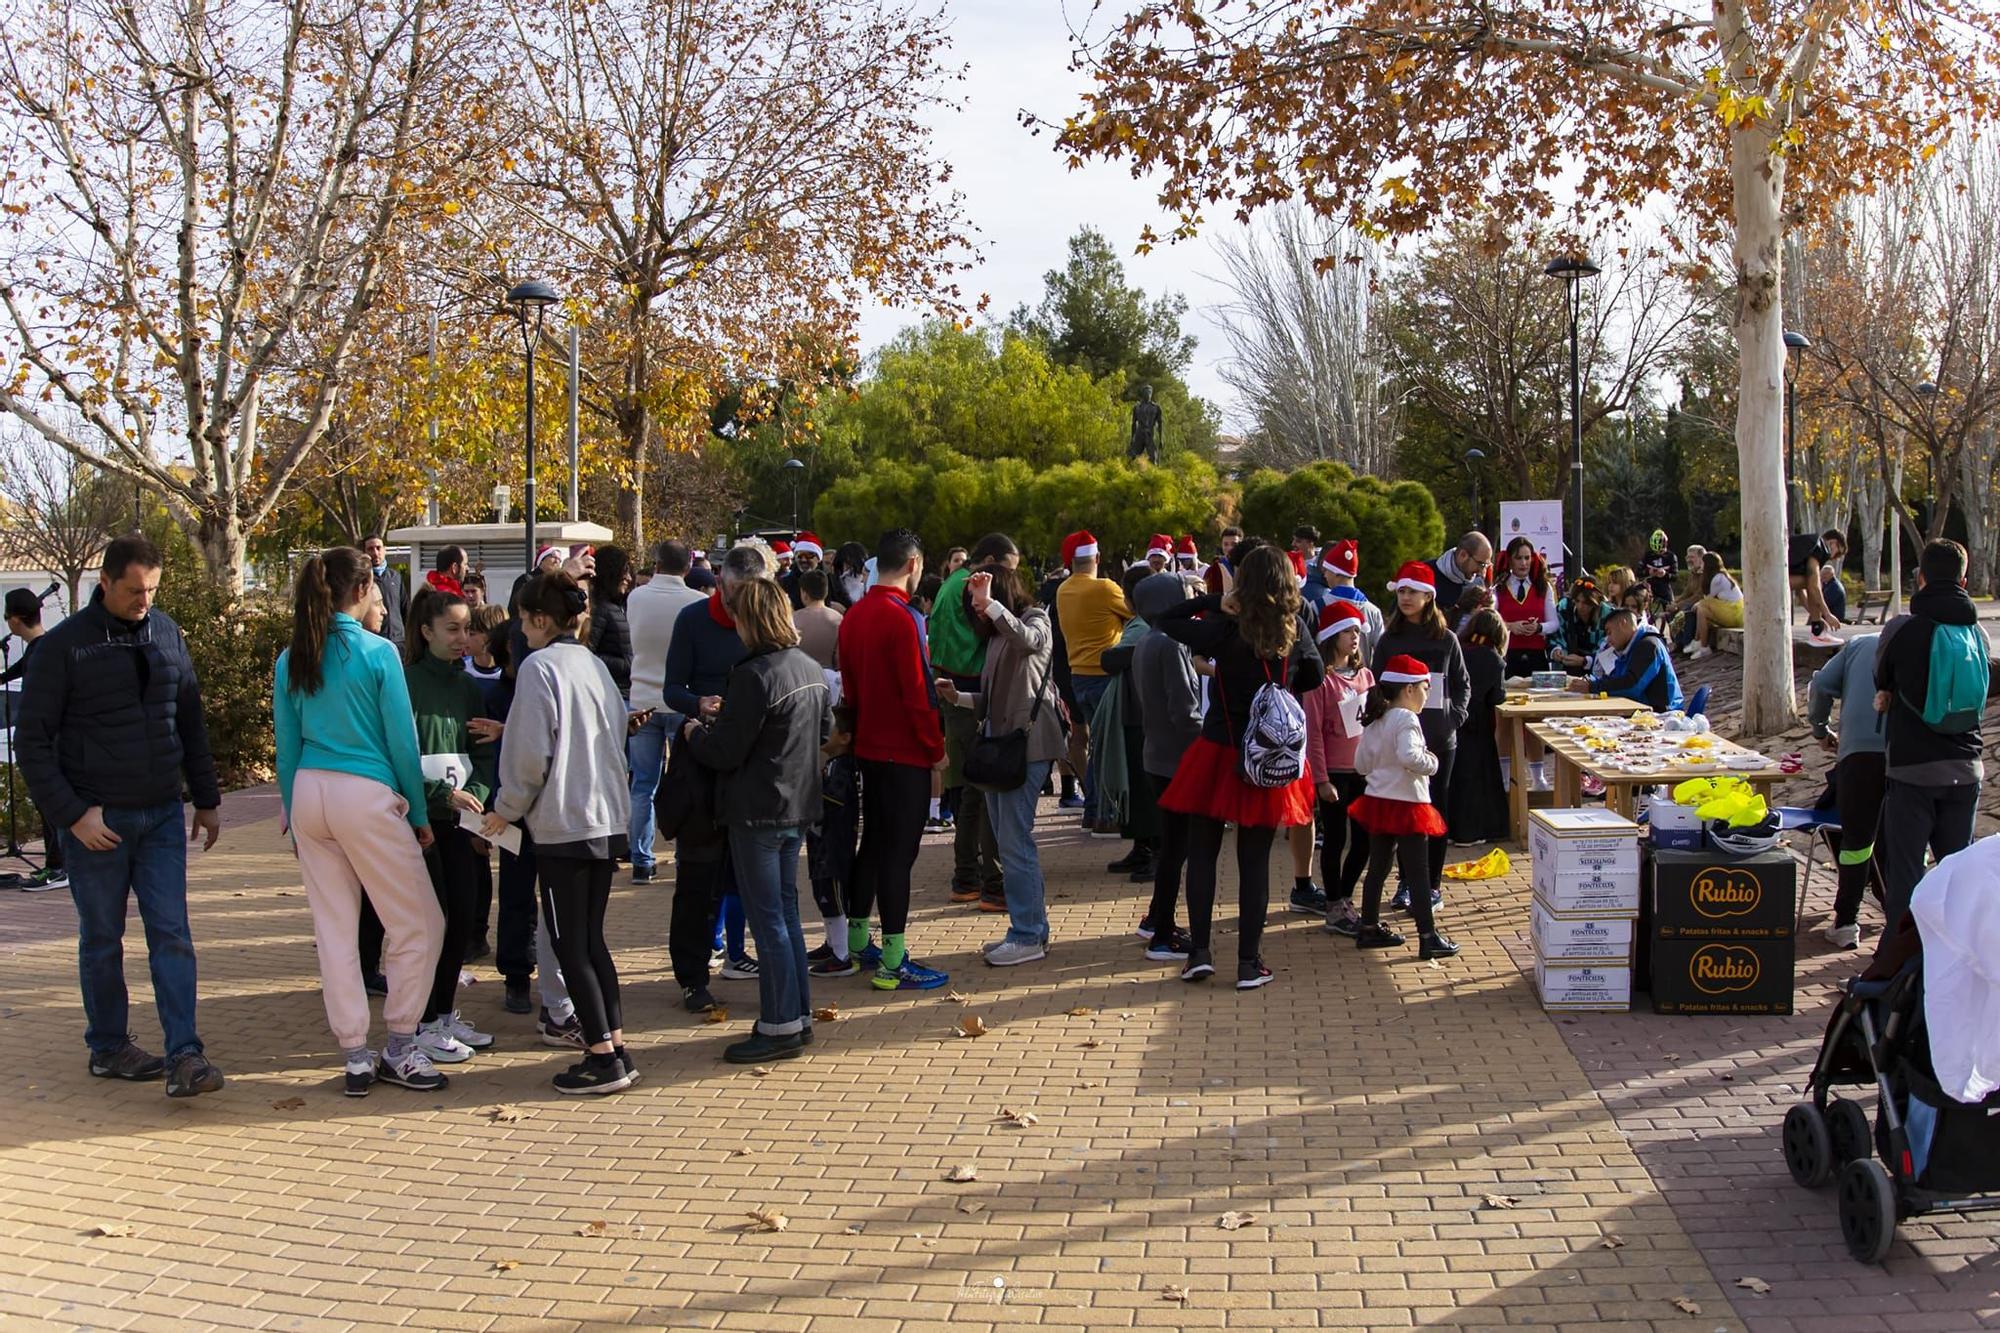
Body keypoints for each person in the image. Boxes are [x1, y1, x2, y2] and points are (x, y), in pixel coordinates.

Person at [17, 534, 224, 1097]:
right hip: (96, 822)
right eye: (134, 590)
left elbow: (190, 718)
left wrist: (205, 799)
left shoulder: (167, 631)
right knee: (103, 938)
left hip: (160, 814)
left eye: (153, 590)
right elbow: (32, 744)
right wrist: (73, 815)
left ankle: (186, 1055)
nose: (144, 601)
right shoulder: (62, 647)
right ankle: (108, 1046)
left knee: (172, 934)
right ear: (105, 582)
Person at [272, 547, 443, 1095]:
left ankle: (354, 1055)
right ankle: (399, 1044)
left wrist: (294, 817)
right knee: (419, 923)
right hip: (364, 796)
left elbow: (286, 746)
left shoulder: (292, 656)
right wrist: (417, 812)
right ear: (362, 590)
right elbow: (401, 739)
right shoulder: (378, 653)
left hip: (310, 796)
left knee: (336, 933)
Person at [482, 570, 636, 1095]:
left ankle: (601, 1057)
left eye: (524, 620)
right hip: (605, 817)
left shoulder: (539, 668)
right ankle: (613, 1044)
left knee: (572, 944)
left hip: (564, 822)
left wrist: (505, 808)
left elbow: (528, 753)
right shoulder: (592, 665)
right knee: (590, 941)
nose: (520, 630)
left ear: (541, 618)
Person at [1154, 544, 1325, 990]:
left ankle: (1199, 954)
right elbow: (1315, 675)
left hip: (1218, 750)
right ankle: (1249, 963)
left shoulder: (1225, 627)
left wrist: (1213, 601)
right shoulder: (1295, 627)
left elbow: (1165, 619)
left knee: (1203, 853)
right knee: (1255, 862)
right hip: (1268, 758)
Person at [683, 577, 830, 1062]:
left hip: (759, 809)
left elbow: (726, 750)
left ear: (751, 620)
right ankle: (796, 1015)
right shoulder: (807, 668)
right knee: (784, 914)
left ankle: (781, 1023)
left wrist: (694, 735)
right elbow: (826, 731)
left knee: (771, 921)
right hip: (795, 804)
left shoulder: (754, 674)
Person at [838, 529, 950, 991]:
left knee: (874, 846)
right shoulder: (904, 618)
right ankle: (893, 960)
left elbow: (852, 689)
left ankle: (858, 938)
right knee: (898, 857)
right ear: (913, 564)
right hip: (904, 751)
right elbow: (917, 693)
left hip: (867, 747)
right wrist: (936, 749)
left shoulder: (855, 615)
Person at [940, 563, 1066, 966]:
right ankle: (1029, 930)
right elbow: (992, 701)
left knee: (1014, 842)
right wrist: (957, 697)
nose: (976, 611)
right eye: (972, 605)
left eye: (978, 603)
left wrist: (990, 605)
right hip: (1002, 748)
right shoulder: (996, 635)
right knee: (1008, 841)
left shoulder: (1035, 618)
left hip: (1027, 747)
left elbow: (1030, 642)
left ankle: (1028, 934)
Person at [1872, 539, 1999, 934]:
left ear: (1921, 578)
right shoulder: (1977, 634)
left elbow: (1881, 678)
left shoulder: (1902, 629)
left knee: (1906, 881)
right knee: (1956, 882)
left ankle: (1897, 977)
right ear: (1964, 578)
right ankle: (1951, 972)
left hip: (1912, 770)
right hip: (1967, 769)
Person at [404, 587, 499, 1065]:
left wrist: (477, 797)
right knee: (430, 925)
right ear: (426, 631)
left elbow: (483, 753)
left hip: (463, 822)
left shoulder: (468, 688)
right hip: (421, 823)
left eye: (468, 629)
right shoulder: (404, 684)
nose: (464, 639)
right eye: (453, 629)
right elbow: (396, 759)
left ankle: (442, 1015)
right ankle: (417, 1022)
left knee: (463, 918)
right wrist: (441, 795)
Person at [663, 546, 764, 993]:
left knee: (748, 874)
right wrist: (698, 703)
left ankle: (741, 956)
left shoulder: (766, 625)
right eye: (735, 593)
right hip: (700, 758)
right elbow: (671, 688)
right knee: (697, 876)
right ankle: (692, 977)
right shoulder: (692, 619)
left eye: (753, 595)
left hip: (747, 762)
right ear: (719, 582)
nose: (743, 605)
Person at [1371, 560, 1470, 912]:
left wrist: (1452, 719)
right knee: (1405, 814)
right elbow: (1377, 687)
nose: (1405, 597)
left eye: (1412, 591)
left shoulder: (1446, 640)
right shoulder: (1389, 640)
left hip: (1441, 743)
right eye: (1401, 591)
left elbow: (1462, 685)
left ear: (1429, 597)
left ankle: (1431, 885)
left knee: (1435, 812)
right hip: (1400, 744)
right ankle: (1405, 884)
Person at [1346, 658, 1460, 958]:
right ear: (1409, 689)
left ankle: (1368, 927)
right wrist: (1431, 763)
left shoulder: (1376, 719)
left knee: (1378, 869)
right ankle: (1427, 935)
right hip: (1407, 803)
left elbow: (1359, 764)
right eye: (1425, 688)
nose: (1426, 695)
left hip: (1378, 802)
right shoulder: (1406, 719)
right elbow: (1410, 756)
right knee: (1418, 873)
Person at [930, 534, 1018, 912]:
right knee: (979, 793)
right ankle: (983, 880)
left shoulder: (952, 583)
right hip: (969, 694)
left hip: (955, 690)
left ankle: (968, 877)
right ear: (993, 561)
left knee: (969, 792)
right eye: (1007, 571)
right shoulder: (971, 586)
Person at [1131, 570, 1204, 959]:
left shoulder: (1147, 641)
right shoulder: (1172, 644)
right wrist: (1208, 744)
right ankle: (1163, 933)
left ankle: (1156, 918)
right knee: (1177, 849)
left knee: (1172, 846)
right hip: (1178, 760)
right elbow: (1185, 711)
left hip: (1157, 757)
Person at [626, 540, 706, 884]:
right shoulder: (697, 602)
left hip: (642, 696)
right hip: (682, 699)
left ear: (656, 564)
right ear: (688, 568)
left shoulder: (635, 598)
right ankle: (685, 852)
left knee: (642, 784)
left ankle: (641, 859)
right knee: (686, 780)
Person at [1808, 631, 1887, 950]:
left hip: (1859, 756)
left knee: (1856, 840)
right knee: (1905, 839)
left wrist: (1820, 729)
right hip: (1911, 754)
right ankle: (1901, 918)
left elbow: (1821, 685)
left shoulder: (1859, 644)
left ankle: (1846, 922)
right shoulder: (1922, 642)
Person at [1054, 529, 1131, 834]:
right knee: (1107, 747)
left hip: (1078, 676)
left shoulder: (1063, 589)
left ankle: (1092, 810)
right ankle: (1104, 814)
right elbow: (1136, 610)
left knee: (1095, 745)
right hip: (1105, 676)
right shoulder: (1105, 588)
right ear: (1097, 558)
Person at [1307, 602, 1375, 938]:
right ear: (1333, 635)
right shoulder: (1321, 681)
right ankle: (1333, 904)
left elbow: (1376, 724)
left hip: (1364, 771)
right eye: (1349, 630)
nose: (1355, 637)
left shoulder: (1366, 675)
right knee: (1335, 839)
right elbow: (1314, 732)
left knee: (1364, 841)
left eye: (1358, 631)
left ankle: (1346, 895)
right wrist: (1320, 779)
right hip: (1334, 773)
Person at [2, 587, 65, 891]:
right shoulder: (39, 649)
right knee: (46, 804)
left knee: (50, 803)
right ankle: (56, 865)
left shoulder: (44, 650)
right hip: (45, 741)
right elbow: (18, 671)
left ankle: (59, 867)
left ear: (14, 620)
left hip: (49, 743)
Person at [1448, 609, 1510, 845]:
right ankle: (1471, 832)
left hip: (1453, 720)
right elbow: (1497, 698)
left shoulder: (1459, 649)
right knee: (1476, 780)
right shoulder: (1494, 659)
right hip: (1478, 724)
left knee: (1454, 779)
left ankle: (1450, 830)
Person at [1573, 607, 1683, 712]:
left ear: (1623, 624)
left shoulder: (1649, 646)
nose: (1608, 640)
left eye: (1609, 632)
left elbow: (1632, 686)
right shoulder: (1630, 648)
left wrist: (1592, 687)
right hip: (1643, 710)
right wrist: (1590, 682)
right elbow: (1616, 678)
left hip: (1664, 715)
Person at [1495, 537, 1556, 676]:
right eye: (1518, 558)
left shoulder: (1543, 586)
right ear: (1509, 560)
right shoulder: (1499, 587)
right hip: (1507, 655)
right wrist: (1510, 626)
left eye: (1527, 558)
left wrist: (1539, 628)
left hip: (1537, 656)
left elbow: (1554, 623)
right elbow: (1489, 620)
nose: (1523, 563)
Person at [1318, 540, 1383, 662]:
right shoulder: (1373, 611)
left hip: (1326, 678)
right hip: (1363, 679)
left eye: (1326, 570)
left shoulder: (1317, 607)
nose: (1325, 575)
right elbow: (1381, 653)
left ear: (1336, 573)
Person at [588, 545, 634, 699]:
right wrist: (627, 664)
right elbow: (587, 653)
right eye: (624, 572)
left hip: (622, 692)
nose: (629, 578)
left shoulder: (618, 606)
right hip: (610, 692)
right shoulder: (599, 608)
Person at [1684, 552, 1744, 660]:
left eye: (1702, 563)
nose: (1701, 565)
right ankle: (1701, 645)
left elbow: (1707, 599)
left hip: (1734, 612)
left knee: (1702, 605)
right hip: (1730, 610)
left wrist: (1699, 602)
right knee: (1702, 611)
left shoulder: (1718, 579)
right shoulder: (1719, 575)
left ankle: (1699, 643)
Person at [1790, 529, 1847, 636]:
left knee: (1809, 580)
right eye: (1838, 553)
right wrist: (1828, 614)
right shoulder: (1819, 547)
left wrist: (1819, 617)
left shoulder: (1805, 545)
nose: (1834, 558)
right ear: (1833, 543)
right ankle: (1818, 632)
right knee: (1813, 582)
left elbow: (1801, 593)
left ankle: (1817, 627)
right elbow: (1814, 586)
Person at [1551, 576, 1606, 675]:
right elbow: (1555, 633)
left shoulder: (1607, 615)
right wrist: (1556, 650)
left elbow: (1609, 651)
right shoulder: (1564, 607)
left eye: (1586, 602)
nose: (1580, 606)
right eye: (1577, 601)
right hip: (1566, 669)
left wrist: (1585, 661)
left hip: (1598, 674)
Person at [793, 569, 843, 673]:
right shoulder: (838, 619)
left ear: (804, 593)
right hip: (829, 676)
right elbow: (840, 658)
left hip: (800, 675)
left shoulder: (793, 619)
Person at [1430, 532, 1492, 612]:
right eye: (1480, 564)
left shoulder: (1478, 583)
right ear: (1463, 555)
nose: (1481, 572)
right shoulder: (1427, 574)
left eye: (1485, 565)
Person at [361, 535, 405, 646]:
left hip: (398, 640)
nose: (375, 553)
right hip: (375, 640)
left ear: (384, 550)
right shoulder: (362, 579)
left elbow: (405, 609)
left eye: (378, 548)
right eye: (370, 549)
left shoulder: (395, 576)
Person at [1640, 530, 1678, 610]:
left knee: (1671, 608)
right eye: (1655, 551)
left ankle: (1669, 618)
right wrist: (1648, 572)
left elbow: (1675, 577)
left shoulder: (1671, 556)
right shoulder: (1648, 556)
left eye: (1660, 551)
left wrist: (1665, 574)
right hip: (1649, 586)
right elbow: (1638, 572)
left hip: (1664, 586)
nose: (1658, 553)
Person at [1203, 526, 1243, 596]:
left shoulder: (1248, 566)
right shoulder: (1214, 569)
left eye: (1234, 544)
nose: (1230, 548)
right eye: (1226, 544)